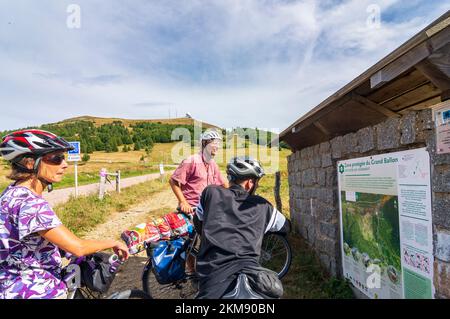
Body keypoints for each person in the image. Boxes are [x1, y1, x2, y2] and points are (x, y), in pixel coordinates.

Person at [0, 130, 129, 299]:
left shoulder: (9, 193)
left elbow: (24, 240)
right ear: (30, 163)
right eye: (56, 158)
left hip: (9, 288)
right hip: (38, 290)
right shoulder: (32, 204)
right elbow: (78, 247)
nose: (65, 164)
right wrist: (113, 242)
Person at [193, 156, 290, 299]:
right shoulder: (262, 205)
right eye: (256, 182)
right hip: (251, 276)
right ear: (250, 183)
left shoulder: (210, 193)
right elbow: (286, 227)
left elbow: (198, 221)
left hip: (212, 278)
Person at [169, 129, 228, 215]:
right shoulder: (192, 160)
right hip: (191, 210)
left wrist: (237, 195)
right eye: (214, 143)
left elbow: (223, 184)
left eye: (218, 143)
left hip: (207, 209)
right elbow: (173, 181)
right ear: (204, 143)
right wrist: (183, 202)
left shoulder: (213, 164)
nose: (217, 146)